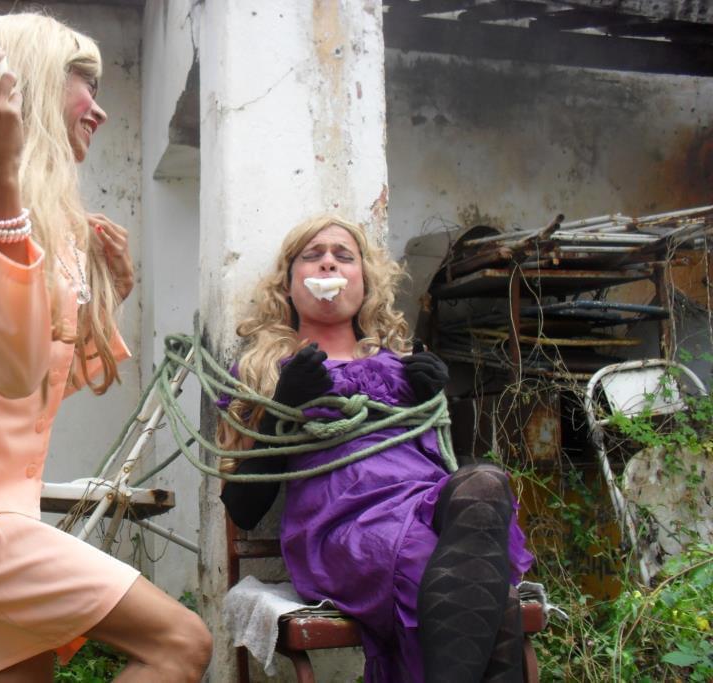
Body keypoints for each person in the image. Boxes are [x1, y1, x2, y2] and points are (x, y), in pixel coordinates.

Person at [0, 13, 211, 682]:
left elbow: (35, 386)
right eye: (84, 82)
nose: (100, 110)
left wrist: (106, 298)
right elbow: (11, 371)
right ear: (26, 84)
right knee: (181, 642)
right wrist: (0, 180)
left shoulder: (41, 223)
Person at [218, 215, 533, 683]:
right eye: (313, 256)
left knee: (486, 482)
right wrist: (282, 407)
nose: (329, 263)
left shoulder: (403, 366)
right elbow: (242, 508)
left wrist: (432, 399)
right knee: (486, 592)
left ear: (364, 282)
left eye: (344, 256)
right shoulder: (262, 371)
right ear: (288, 284)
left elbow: (441, 466)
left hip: (423, 510)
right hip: (347, 527)